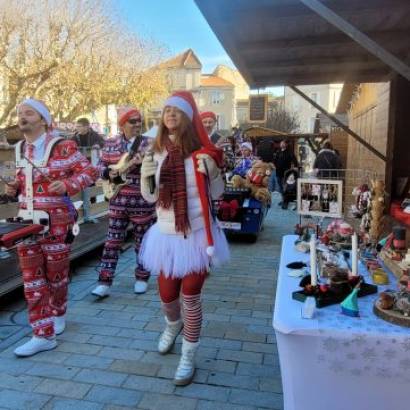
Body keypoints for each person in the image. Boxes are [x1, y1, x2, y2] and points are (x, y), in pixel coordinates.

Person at [139, 91, 230, 386]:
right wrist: (146, 176)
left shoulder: (204, 154)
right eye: (166, 111)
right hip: (165, 234)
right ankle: (172, 325)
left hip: (197, 234)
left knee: (190, 294)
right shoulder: (155, 152)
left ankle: (189, 355)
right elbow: (150, 197)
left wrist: (214, 174)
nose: (170, 115)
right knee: (167, 295)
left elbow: (217, 195)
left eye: (176, 111)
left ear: (188, 118)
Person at [6, 99, 97, 357]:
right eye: (20, 113)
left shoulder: (63, 146)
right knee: (32, 279)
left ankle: (58, 311)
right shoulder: (19, 149)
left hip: (56, 223)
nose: (22, 117)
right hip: (26, 223)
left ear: (43, 120)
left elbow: (90, 172)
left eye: (29, 113)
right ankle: (42, 333)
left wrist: (67, 185)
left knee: (56, 276)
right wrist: (13, 188)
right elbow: (23, 185)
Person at [91, 108, 156, 298]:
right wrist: (107, 174)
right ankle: (104, 282)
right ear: (122, 124)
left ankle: (142, 278)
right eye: (133, 121)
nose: (137, 124)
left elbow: (156, 171)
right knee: (112, 242)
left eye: (139, 121)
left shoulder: (149, 143)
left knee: (142, 242)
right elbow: (100, 166)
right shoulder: (110, 143)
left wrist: (145, 163)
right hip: (117, 199)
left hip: (141, 200)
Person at [72, 118, 105, 223]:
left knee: (91, 187)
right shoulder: (74, 137)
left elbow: (102, 142)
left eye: (79, 126)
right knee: (82, 187)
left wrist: (97, 145)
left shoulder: (95, 135)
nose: (77, 128)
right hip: (79, 167)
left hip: (92, 166)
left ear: (86, 126)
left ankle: (91, 209)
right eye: (76, 126)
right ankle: (85, 210)